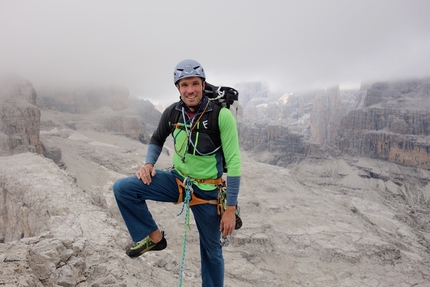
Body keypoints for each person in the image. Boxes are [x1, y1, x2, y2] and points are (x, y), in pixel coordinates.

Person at [112, 59, 241, 287]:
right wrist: (149, 163)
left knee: (212, 253)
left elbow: (234, 162)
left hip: (208, 191)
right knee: (124, 189)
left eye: (194, 84)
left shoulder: (221, 116)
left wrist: (230, 209)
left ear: (202, 84)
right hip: (178, 181)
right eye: (184, 85)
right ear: (177, 88)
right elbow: (157, 138)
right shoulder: (173, 112)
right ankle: (154, 238)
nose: (190, 90)